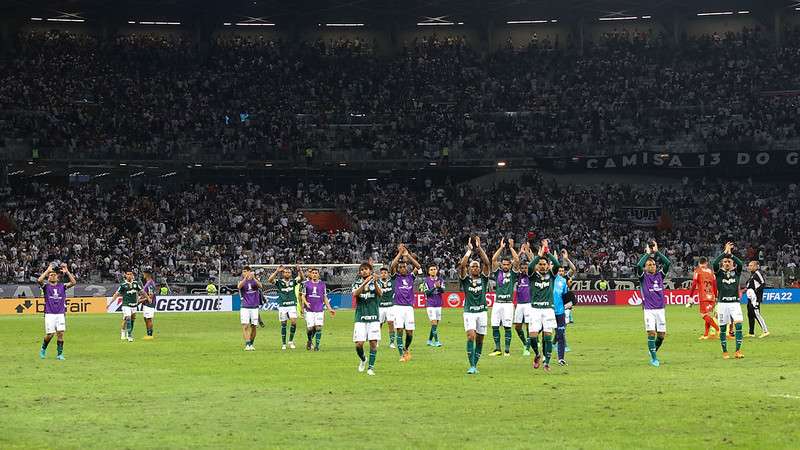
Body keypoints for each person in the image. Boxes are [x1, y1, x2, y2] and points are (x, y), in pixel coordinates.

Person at [634, 240, 671, 367]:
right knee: (651, 333)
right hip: (649, 310)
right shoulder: (643, 276)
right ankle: (654, 359)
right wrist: (648, 253)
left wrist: (657, 252)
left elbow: (668, 263)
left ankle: (652, 350)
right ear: (646, 267)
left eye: (653, 264)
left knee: (661, 336)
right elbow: (638, 266)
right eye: (649, 264)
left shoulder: (660, 275)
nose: (651, 266)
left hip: (661, 309)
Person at [527, 239, 561, 372]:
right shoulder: (532, 275)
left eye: (544, 264)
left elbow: (557, 264)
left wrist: (547, 252)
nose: (542, 266)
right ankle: (537, 354)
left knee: (547, 337)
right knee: (533, 337)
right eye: (540, 264)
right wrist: (539, 256)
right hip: (535, 309)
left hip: (548, 310)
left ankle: (547, 362)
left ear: (547, 266)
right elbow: (530, 267)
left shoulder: (551, 275)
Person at [459, 236, 490, 374]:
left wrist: (479, 248)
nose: (476, 268)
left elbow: (487, 262)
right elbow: (462, 265)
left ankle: (475, 364)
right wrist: (469, 251)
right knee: (471, 336)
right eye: (473, 266)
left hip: (482, 312)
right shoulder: (465, 280)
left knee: (480, 340)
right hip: (469, 312)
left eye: (477, 266)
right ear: (469, 269)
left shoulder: (483, 279)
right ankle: (471, 365)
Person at [712, 242, 745, 359]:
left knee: (739, 325)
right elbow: (714, 263)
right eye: (725, 262)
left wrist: (731, 255)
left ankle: (737, 351)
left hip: (735, 304)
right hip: (722, 304)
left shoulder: (736, 272)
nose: (726, 263)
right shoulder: (719, 273)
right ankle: (725, 352)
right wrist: (724, 254)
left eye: (729, 262)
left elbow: (740, 263)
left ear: (732, 263)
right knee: (722, 328)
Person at [37, 263, 77, 360]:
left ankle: (59, 354)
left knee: (60, 333)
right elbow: (39, 280)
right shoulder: (46, 287)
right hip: (49, 314)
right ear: (48, 277)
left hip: (60, 314)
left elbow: (73, 282)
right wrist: (47, 270)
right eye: (51, 275)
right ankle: (43, 349)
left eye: (54, 274)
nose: (53, 275)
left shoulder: (62, 286)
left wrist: (67, 271)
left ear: (57, 277)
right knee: (50, 334)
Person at [390, 244, 421, 362]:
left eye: (404, 266)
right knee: (399, 330)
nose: (402, 268)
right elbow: (392, 265)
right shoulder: (395, 277)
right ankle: (401, 355)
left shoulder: (411, 277)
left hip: (409, 308)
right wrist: (400, 253)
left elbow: (418, 266)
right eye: (401, 267)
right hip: (397, 307)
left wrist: (407, 255)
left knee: (410, 332)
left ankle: (406, 348)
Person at [489, 237, 520, 357]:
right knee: (495, 326)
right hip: (497, 303)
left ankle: (507, 350)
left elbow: (517, 260)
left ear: (510, 265)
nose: (506, 266)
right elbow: (493, 259)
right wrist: (501, 248)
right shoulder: (498, 273)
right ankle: (497, 349)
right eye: (504, 264)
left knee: (507, 327)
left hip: (508, 304)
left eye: (508, 264)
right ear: (501, 265)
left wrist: (511, 248)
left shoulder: (513, 274)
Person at [352, 263, 382, 375]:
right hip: (360, 317)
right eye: (362, 270)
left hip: (373, 317)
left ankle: (370, 368)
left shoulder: (376, 282)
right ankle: (363, 359)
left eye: (366, 269)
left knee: (373, 343)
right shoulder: (356, 283)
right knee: (359, 344)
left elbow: (380, 294)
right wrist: (365, 282)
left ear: (370, 271)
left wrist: (373, 282)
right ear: (360, 272)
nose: (364, 271)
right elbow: (355, 294)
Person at [269, 265, 304, 350]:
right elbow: (270, 280)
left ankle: (291, 341)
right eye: (285, 272)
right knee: (283, 324)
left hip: (292, 305)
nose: (287, 274)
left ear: (291, 274)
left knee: (293, 322)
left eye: (289, 272)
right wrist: (277, 271)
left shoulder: (293, 281)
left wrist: (300, 270)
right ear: (283, 273)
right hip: (282, 306)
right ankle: (284, 343)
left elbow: (302, 278)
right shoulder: (279, 282)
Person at [300, 267, 335, 351]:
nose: (314, 274)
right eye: (313, 273)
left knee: (318, 327)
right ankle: (309, 340)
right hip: (309, 310)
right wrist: (305, 303)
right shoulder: (306, 284)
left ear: (318, 275)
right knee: (310, 328)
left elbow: (324, 297)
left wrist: (330, 308)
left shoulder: (322, 284)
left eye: (316, 273)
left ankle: (317, 346)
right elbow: (303, 295)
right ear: (310, 275)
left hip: (319, 309)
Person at [110, 270, 147, 342]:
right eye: (128, 274)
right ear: (125, 275)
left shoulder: (136, 284)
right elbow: (116, 294)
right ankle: (128, 335)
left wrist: (147, 298)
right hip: (126, 305)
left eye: (130, 274)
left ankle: (127, 332)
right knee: (128, 318)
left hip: (134, 305)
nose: (129, 275)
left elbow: (142, 292)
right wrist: (110, 303)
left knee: (131, 319)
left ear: (132, 275)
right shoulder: (123, 285)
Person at [688, 257, 719, 340]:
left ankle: (718, 330)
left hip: (703, 296)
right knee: (708, 315)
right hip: (711, 296)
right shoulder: (711, 272)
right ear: (706, 263)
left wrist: (690, 296)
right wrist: (716, 296)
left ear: (699, 263)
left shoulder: (697, 271)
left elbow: (694, 284)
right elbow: (715, 285)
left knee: (703, 315)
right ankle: (706, 334)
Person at [513, 243, 533, 356]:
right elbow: (514, 262)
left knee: (529, 326)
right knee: (517, 327)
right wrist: (520, 252)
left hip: (529, 304)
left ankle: (527, 347)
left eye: (526, 268)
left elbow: (534, 263)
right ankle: (525, 342)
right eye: (523, 268)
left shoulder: (531, 276)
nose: (524, 269)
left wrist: (528, 251)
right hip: (520, 305)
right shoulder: (518, 276)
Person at [238, 266, 263, 351]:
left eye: (245, 271)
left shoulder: (254, 281)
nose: (244, 273)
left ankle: (251, 343)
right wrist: (245, 278)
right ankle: (247, 344)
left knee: (254, 326)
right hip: (245, 307)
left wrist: (254, 278)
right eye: (243, 271)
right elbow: (239, 286)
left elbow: (261, 286)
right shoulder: (242, 281)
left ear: (249, 271)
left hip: (254, 307)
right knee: (245, 326)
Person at [421, 264, 445, 347]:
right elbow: (427, 293)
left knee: (435, 324)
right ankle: (437, 341)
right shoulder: (426, 281)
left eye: (434, 269)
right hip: (430, 304)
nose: (433, 270)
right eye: (431, 269)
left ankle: (429, 340)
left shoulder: (440, 280)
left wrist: (439, 287)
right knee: (434, 323)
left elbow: (443, 291)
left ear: (437, 270)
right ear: (428, 271)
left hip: (438, 304)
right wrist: (435, 287)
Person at [745, 260, 769, 338]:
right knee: (750, 314)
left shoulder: (757, 273)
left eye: (751, 265)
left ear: (756, 266)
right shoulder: (752, 274)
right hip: (750, 298)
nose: (749, 267)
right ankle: (751, 332)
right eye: (749, 265)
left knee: (756, 314)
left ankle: (765, 331)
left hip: (755, 299)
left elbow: (763, 283)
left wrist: (756, 292)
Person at [376, 267, 396, 348]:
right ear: (380, 275)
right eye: (382, 273)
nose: (383, 274)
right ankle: (376, 341)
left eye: (385, 272)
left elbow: (394, 269)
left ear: (388, 274)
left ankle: (392, 342)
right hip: (380, 307)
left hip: (390, 306)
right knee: (379, 324)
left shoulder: (392, 281)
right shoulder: (376, 282)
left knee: (391, 323)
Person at [141, 270, 157, 340]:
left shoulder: (150, 283)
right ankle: (148, 334)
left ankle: (150, 335)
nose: (143, 274)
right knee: (145, 318)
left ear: (147, 274)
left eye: (144, 273)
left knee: (148, 319)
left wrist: (140, 300)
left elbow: (151, 296)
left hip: (149, 304)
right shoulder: (148, 283)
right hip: (146, 304)